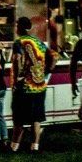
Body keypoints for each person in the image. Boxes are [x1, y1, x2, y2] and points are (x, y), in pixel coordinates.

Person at [9, 16, 53, 153]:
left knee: (19, 117)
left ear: (19, 27)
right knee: (36, 117)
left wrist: (16, 79)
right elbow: (53, 57)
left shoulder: (19, 42)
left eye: (16, 26)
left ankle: (14, 146)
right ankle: (35, 146)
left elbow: (17, 61)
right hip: (39, 85)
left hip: (25, 85)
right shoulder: (39, 42)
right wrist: (45, 72)